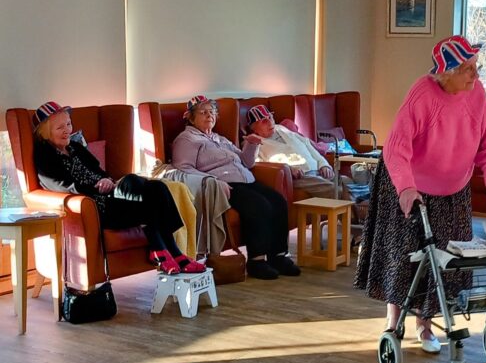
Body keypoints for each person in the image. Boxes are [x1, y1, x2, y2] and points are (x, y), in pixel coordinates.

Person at [353, 35, 486, 354]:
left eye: (476, 67)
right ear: (445, 73)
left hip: (454, 187)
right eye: (467, 69)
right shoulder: (422, 95)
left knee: (447, 257)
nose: (475, 76)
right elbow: (397, 147)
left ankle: (427, 325)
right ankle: (393, 322)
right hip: (409, 182)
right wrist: (406, 188)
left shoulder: (476, 93)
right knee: (406, 253)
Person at [32, 101, 205, 275]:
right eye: (59, 127)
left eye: (68, 124)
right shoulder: (44, 155)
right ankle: (171, 253)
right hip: (95, 205)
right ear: (46, 133)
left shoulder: (75, 147)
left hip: (109, 194)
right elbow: (59, 186)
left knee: (154, 186)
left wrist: (106, 180)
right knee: (149, 200)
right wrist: (95, 186)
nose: (67, 130)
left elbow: (99, 171)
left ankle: (164, 252)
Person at [172, 95, 300, 280]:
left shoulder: (219, 138)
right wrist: (212, 180)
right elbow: (183, 168)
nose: (209, 116)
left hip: (246, 179)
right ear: (191, 117)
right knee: (259, 205)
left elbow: (246, 162)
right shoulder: (187, 139)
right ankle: (256, 261)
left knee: (278, 201)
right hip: (225, 185)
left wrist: (252, 144)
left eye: (212, 112)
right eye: (203, 112)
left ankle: (278, 256)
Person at [244, 104, 335, 199]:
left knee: (348, 183)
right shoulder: (252, 143)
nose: (270, 122)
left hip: (319, 170)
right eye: (264, 121)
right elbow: (259, 165)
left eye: (270, 117)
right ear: (253, 128)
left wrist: (324, 164)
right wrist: (287, 169)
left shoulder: (281, 128)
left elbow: (307, 144)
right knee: (335, 190)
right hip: (300, 177)